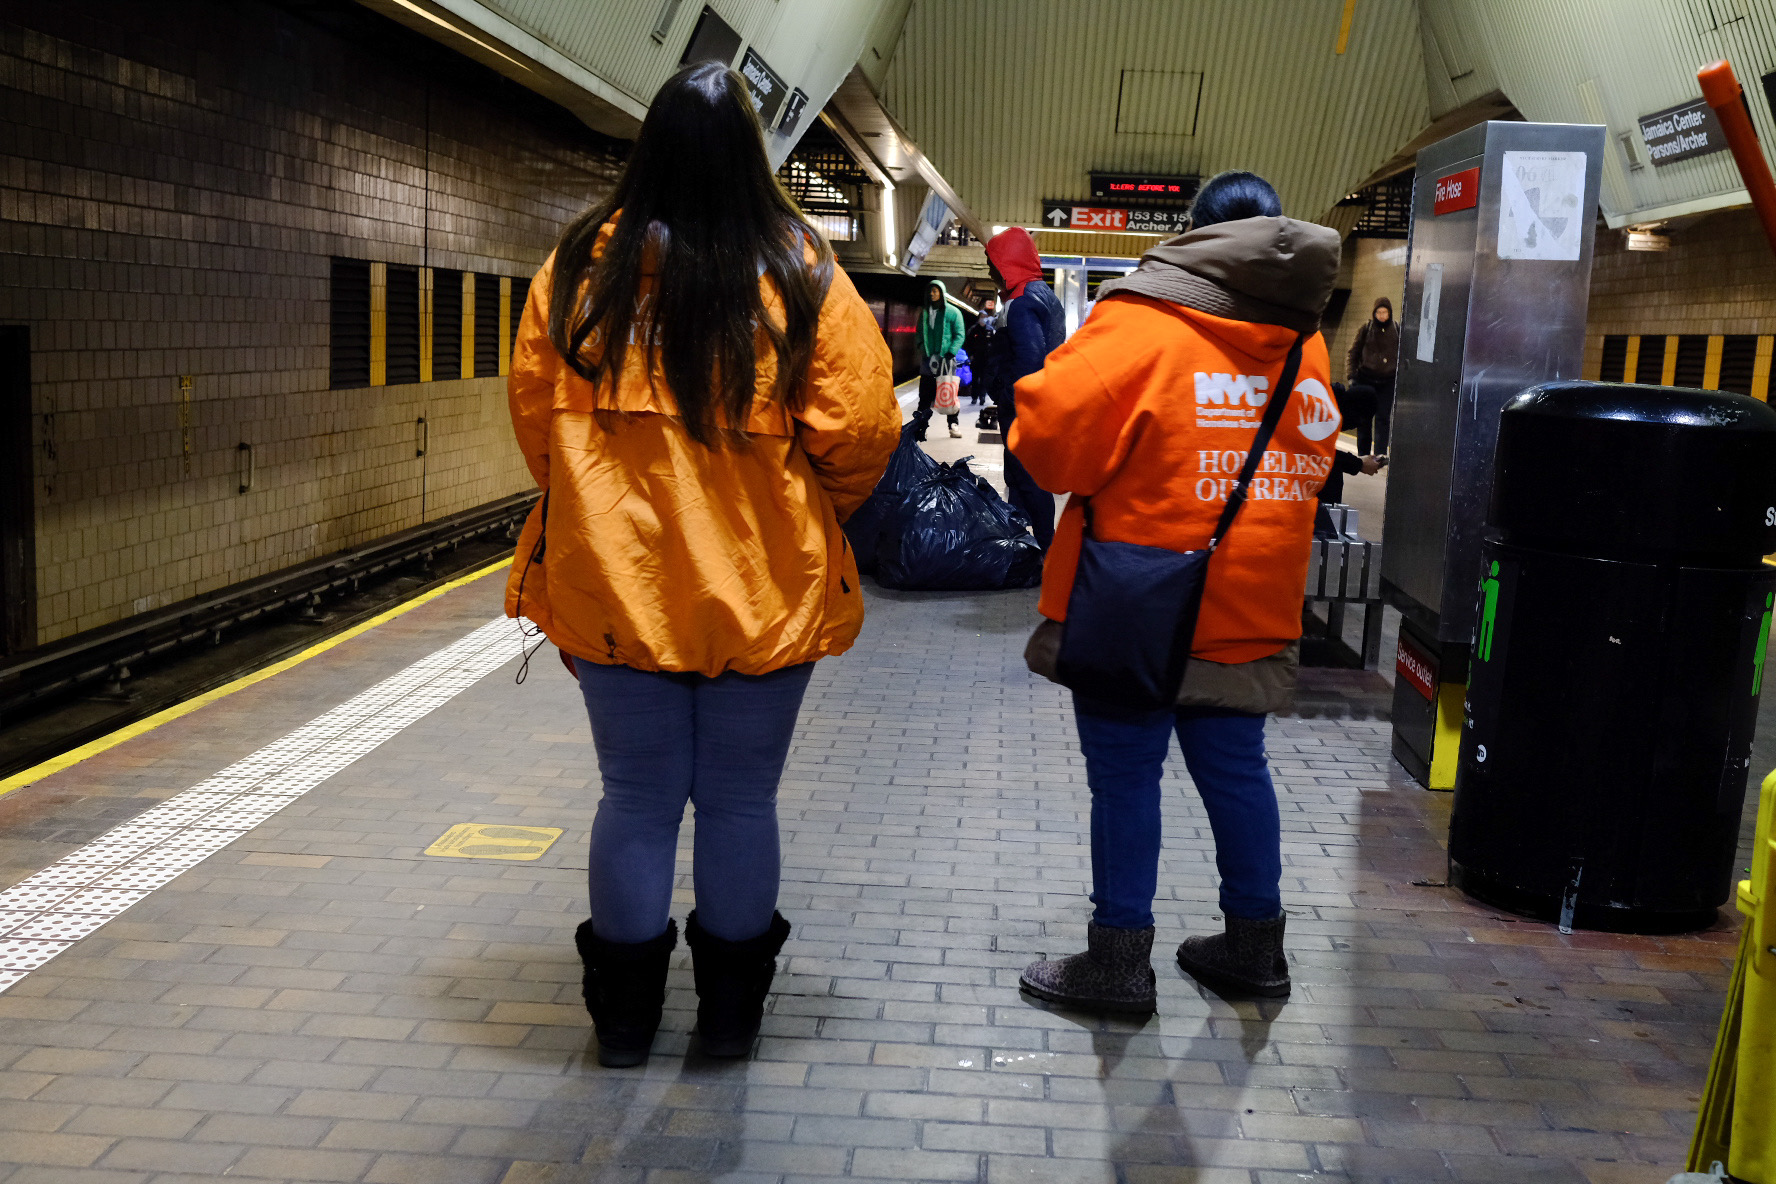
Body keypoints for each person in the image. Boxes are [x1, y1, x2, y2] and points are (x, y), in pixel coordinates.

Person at [504, 61, 899, 1067]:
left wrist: (598, 510)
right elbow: (859, 428)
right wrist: (798, 512)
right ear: (750, 159)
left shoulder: (577, 268)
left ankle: (625, 1023)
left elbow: (535, 421)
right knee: (738, 800)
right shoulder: (798, 267)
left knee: (634, 797)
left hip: (614, 588)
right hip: (763, 593)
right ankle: (727, 1020)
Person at [1008, 170, 1341, 1012]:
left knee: (1126, 779)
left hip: (1137, 600)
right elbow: (1314, 452)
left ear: (1196, 236)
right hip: (1253, 594)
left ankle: (1119, 965)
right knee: (1237, 773)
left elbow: (1049, 448)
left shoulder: (1144, 318)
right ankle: (1255, 949)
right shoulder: (1304, 339)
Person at [984, 228, 1064, 549]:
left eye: (993, 262)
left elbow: (1028, 359)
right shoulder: (1045, 294)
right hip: (1040, 402)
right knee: (1021, 473)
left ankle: (1047, 544)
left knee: (1026, 476)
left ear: (1009, 262)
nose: (990, 270)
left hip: (1022, 407)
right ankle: (1019, 541)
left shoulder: (1021, 303)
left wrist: (1005, 396)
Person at [1345, 296, 1398, 455]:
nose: (1382, 315)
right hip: (1365, 379)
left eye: (1385, 312)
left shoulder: (1396, 329)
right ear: (1374, 313)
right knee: (1364, 418)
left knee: (1383, 419)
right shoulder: (1366, 329)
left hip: (1387, 381)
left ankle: (1380, 454)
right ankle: (1363, 454)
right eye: (1379, 312)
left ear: (1390, 313)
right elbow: (1353, 352)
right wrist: (1351, 375)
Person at [912, 279, 964, 439]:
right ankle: (920, 427)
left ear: (942, 293)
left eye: (935, 291)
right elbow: (919, 333)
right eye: (930, 291)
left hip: (946, 360)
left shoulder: (953, 312)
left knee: (949, 393)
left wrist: (951, 351)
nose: (932, 294)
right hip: (928, 360)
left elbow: (959, 333)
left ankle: (953, 425)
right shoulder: (925, 312)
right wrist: (922, 348)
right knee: (925, 396)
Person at [963, 296, 999, 405]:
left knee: (984, 379)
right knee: (975, 379)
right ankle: (974, 397)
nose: (983, 318)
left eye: (985, 316)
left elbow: (994, 344)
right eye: (981, 316)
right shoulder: (973, 330)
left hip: (986, 359)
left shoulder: (990, 330)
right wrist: (970, 355)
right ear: (978, 318)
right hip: (975, 358)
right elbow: (967, 344)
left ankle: (982, 397)